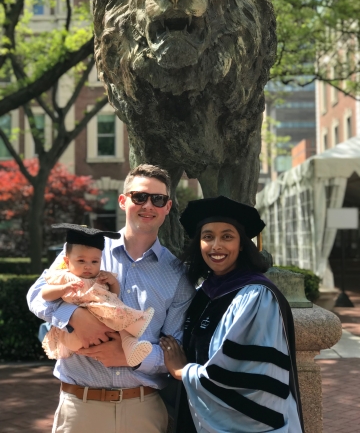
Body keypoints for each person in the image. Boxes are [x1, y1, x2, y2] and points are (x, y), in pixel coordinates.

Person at [27, 164, 194, 433]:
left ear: (167, 207)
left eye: (157, 199)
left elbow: (176, 349)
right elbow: (36, 295)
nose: (147, 205)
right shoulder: (87, 249)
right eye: (139, 196)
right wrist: (74, 318)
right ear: (123, 200)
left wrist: (131, 356)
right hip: (80, 406)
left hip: (142, 409)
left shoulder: (177, 275)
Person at [159, 196, 305, 433]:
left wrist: (182, 372)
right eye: (208, 237)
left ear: (241, 244)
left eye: (227, 236)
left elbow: (246, 377)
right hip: (197, 414)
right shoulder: (203, 293)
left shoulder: (256, 297)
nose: (216, 246)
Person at [41, 224, 155, 367]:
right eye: (81, 261)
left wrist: (113, 282)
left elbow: (113, 296)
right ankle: (136, 324)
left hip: (103, 320)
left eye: (94, 261)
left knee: (121, 323)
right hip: (74, 333)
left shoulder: (100, 277)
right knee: (117, 320)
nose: (88, 266)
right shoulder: (63, 276)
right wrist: (64, 289)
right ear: (66, 261)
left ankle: (131, 348)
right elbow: (44, 294)